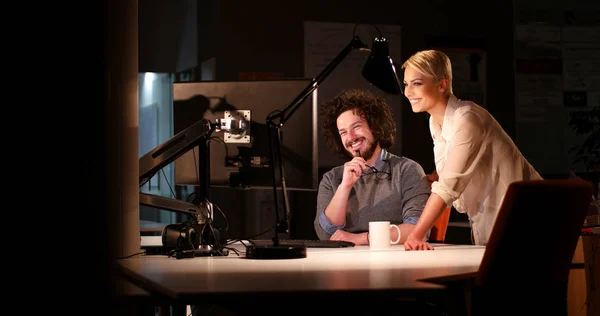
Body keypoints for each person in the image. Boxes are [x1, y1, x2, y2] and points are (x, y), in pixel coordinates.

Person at [400, 49, 543, 250]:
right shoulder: (435, 122)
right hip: (494, 218)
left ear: (442, 84)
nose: (408, 92)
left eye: (417, 83)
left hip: (526, 218)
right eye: (406, 84)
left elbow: (448, 188)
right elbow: (447, 179)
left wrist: (416, 235)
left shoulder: (468, 118)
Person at [314, 89, 431, 245]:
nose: (350, 137)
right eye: (343, 132)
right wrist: (345, 186)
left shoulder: (407, 170)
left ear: (375, 127)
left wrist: (361, 239)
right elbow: (325, 234)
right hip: (345, 262)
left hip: (395, 261)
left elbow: (419, 231)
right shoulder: (331, 179)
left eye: (356, 127)